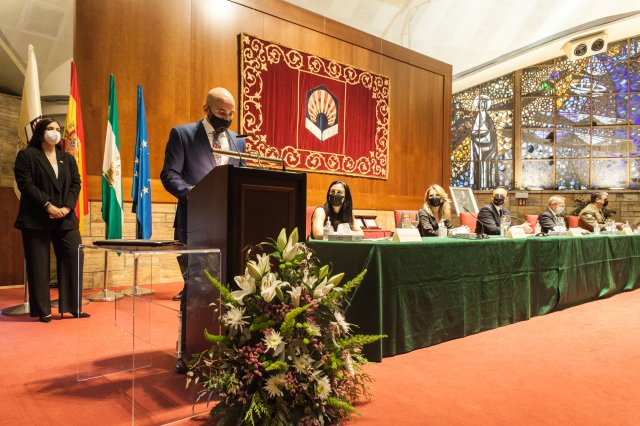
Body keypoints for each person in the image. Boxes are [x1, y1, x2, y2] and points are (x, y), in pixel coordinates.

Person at [160, 87, 246, 373]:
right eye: (222, 113)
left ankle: (228, 350)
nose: (228, 117)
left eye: (232, 113)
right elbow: (169, 174)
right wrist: (194, 194)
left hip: (229, 227)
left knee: (230, 290)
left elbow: (242, 177)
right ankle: (188, 350)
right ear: (206, 109)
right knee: (195, 289)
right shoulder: (183, 134)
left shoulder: (237, 142)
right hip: (193, 223)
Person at [14, 118, 88, 322]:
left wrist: (66, 207)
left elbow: (76, 183)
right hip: (36, 218)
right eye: (50, 128)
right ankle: (43, 310)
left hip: (65, 217)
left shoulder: (67, 158)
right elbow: (26, 184)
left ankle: (73, 307)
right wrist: (48, 205)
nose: (55, 132)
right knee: (38, 264)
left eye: (58, 129)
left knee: (74, 258)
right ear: (40, 132)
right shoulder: (27, 155)